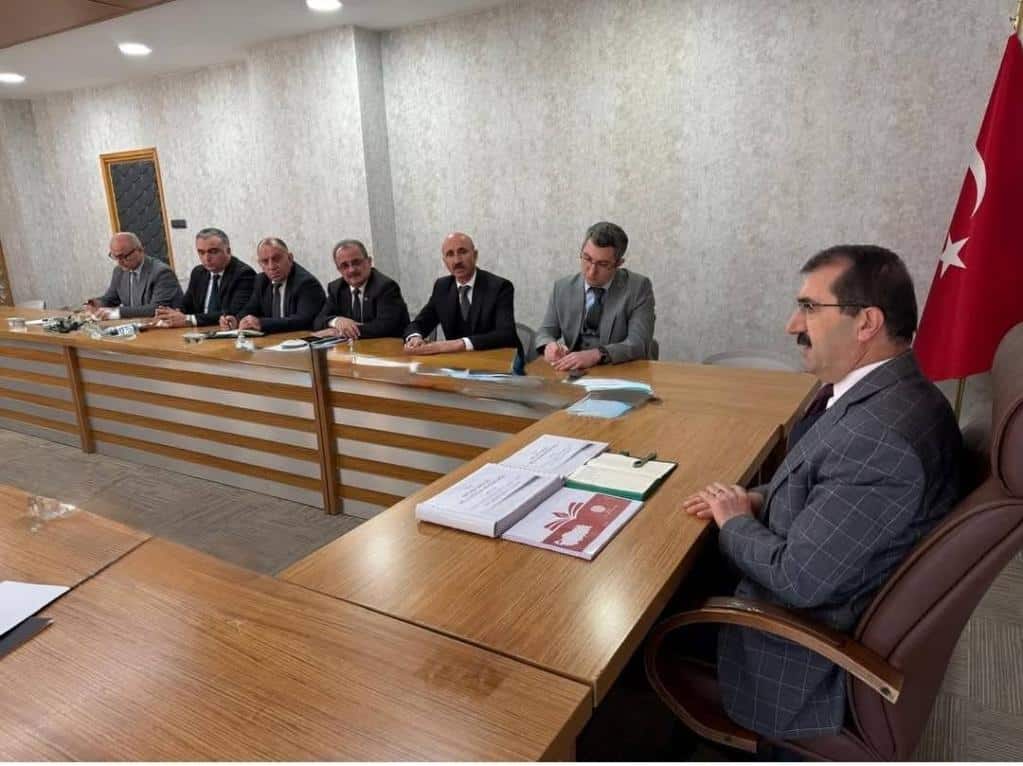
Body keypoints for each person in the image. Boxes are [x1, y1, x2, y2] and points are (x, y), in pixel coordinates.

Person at [681, 245, 962, 739]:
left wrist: (734, 520)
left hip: (791, 654)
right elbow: (820, 485)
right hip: (816, 583)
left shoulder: (882, 441)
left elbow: (796, 579)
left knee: (638, 610)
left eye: (809, 307)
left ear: (866, 322)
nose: (792, 325)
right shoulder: (887, 394)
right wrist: (755, 499)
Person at [535, 221, 655, 370]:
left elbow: (638, 343)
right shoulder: (562, 287)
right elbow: (545, 331)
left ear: (619, 263)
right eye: (587, 259)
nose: (591, 272)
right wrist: (549, 345)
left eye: (603, 264)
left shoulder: (638, 288)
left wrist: (597, 354)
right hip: (573, 372)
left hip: (619, 371)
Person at [403, 231, 519, 354]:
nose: (457, 260)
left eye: (462, 252)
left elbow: (506, 334)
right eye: (450, 254)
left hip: (496, 358)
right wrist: (415, 337)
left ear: (475, 255)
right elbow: (419, 324)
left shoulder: (499, 287)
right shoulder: (442, 287)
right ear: (444, 261)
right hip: (460, 361)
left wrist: (459, 344)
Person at [221, 237, 325, 335]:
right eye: (265, 261)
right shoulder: (261, 281)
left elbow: (304, 321)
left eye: (276, 259)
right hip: (273, 340)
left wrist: (261, 323)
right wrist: (236, 320)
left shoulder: (306, 283)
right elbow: (250, 309)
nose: (271, 266)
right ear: (260, 263)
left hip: (299, 340)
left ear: (290, 258)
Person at [154, 228, 255, 328]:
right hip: (198, 331)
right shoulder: (198, 272)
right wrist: (171, 314)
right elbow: (186, 306)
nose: (207, 258)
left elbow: (233, 313)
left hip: (224, 331)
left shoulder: (244, 274)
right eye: (201, 252)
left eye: (213, 252)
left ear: (228, 251)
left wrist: (190, 320)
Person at [312, 239, 409, 339]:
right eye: (344, 266)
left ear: (369, 262)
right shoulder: (336, 288)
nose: (351, 270)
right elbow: (318, 321)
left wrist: (340, 332)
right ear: (339, 270)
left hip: (389, 346)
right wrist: (336, 321)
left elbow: (384, 327)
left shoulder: (386, 287)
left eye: (356, 263)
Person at [85, 232, 183, 319]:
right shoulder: (119, 271)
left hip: (166, 327)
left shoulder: (162, 273)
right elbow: (110, 299)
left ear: (140, 250)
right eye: (115, 257)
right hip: (136, 326)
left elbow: (156, 309)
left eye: (124, 257)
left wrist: (116, 312)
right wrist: (95, 304)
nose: (119, 262)